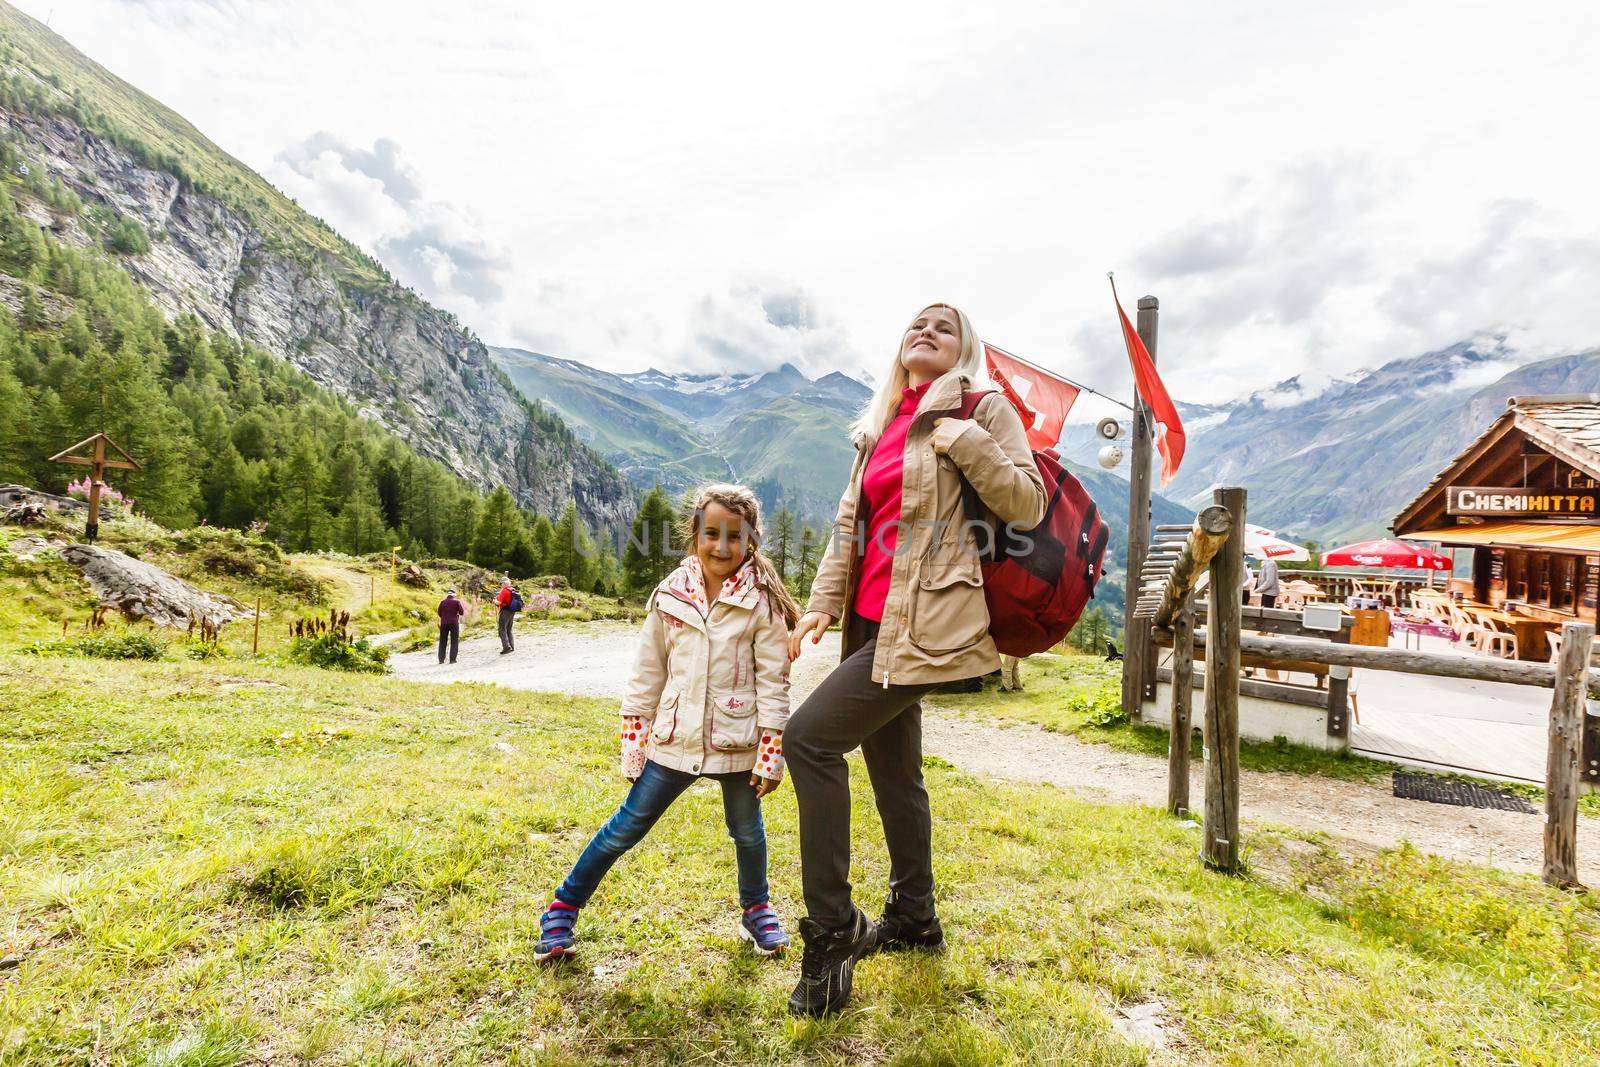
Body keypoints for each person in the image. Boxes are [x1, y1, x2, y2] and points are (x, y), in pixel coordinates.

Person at [783, 303, 1045, 1016]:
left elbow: (1027, 502)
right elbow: (849, 527)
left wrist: (966, 441)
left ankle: (833, 931)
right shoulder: (880, 426)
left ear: (965, 349)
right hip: (871, 624)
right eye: (917, 323)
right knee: (894, 772)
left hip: (928, 625)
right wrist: (821, 604)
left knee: (808, 740)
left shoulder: (981, 410)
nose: (926, 331)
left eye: (945, 325)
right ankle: (916, 914)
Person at [535, 483, 802, 962]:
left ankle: (756, 909)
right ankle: (562, 908)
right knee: (625, 827)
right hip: (673, 741)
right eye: (712, 534)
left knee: (748, 831)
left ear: (751, 541)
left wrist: (769, 754)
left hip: (736, 743)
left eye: (734, 537)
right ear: (694, 534)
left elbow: (774, 685)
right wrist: (634, 740)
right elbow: (647, 673)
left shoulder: (763, 604)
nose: (722, 547)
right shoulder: (670, 596)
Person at [437, 587, 465, 664]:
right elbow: (462, 612)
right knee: (454, 641)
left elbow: (439, 613)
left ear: (448, 595)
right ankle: (452, 660)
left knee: (442, 641)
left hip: (444, 624)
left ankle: (441, 660)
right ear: (454, 595)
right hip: (454, 623)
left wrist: (444, 617)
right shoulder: (456, 602)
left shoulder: (442, 602)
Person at [495, 577, 519, 654]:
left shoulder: (504, 591)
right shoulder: (513, 589)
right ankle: (512, 646)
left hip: (505, 611)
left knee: (502, 629)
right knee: (509, 629)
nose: (501, 585)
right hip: (512, 611)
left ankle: (506, 647)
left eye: (501, 583)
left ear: (504, 584)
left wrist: (494, 601)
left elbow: (498, 602)